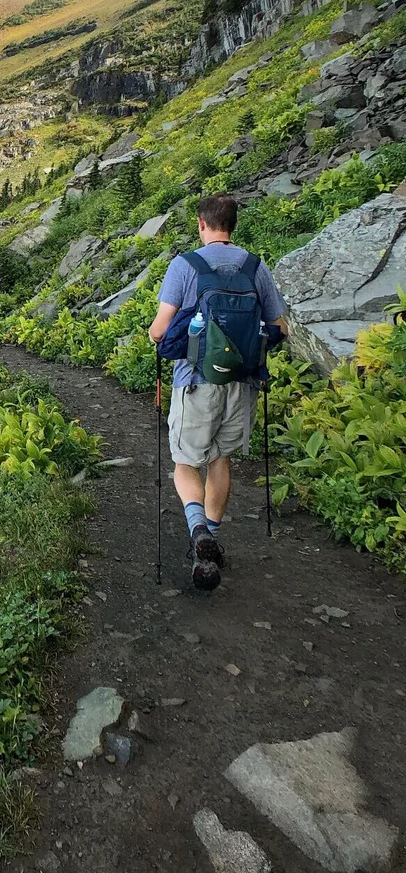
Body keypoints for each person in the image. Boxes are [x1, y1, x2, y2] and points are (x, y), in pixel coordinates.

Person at [148, 193, 286, 592]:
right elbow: (280, 327)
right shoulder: (255, 266)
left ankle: (198, 532)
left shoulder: (185, 265)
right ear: (233, 225)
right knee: (220, 459)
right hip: (242, 383)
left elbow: (160, 330)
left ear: (201, 224)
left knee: (185, 462)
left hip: (195, 382)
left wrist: (159, 335)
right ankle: (211, 536)